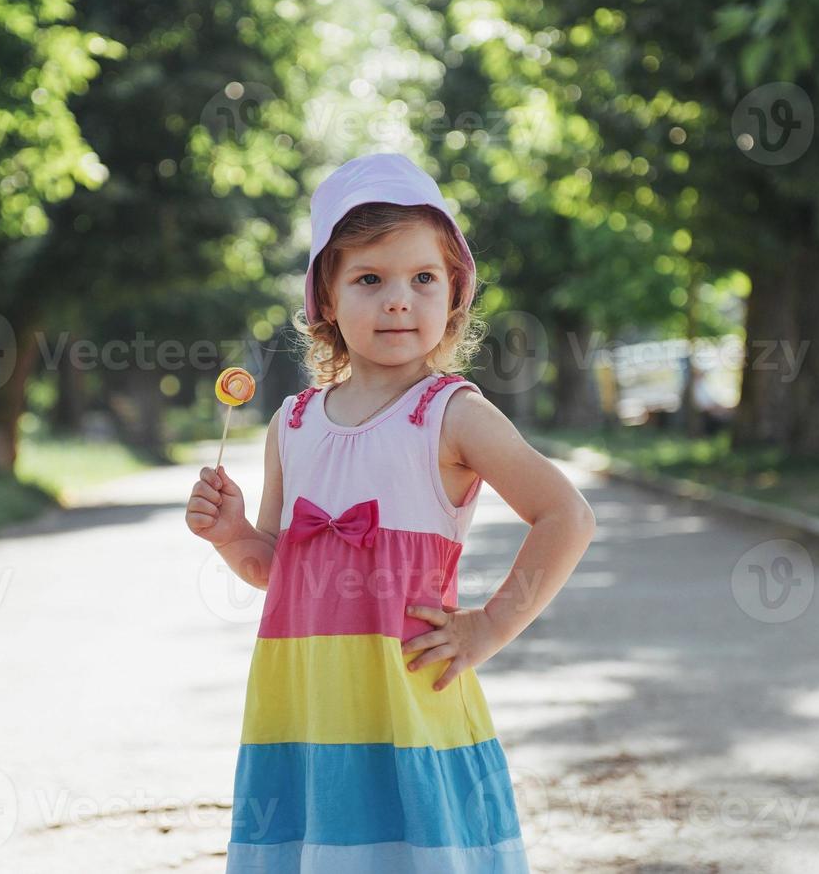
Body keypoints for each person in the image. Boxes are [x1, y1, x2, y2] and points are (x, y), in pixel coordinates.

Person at [185, 152, 598, 872]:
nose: (398, 300)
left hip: (410, 703)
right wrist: (232, 537)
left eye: (422, 279)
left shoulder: (452, 414)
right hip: (308, 711)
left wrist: (490, 626)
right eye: (369, 280)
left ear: (454, 295)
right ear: (324, 300)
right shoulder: (293, 422)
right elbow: (277, 570)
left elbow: (565, 515)